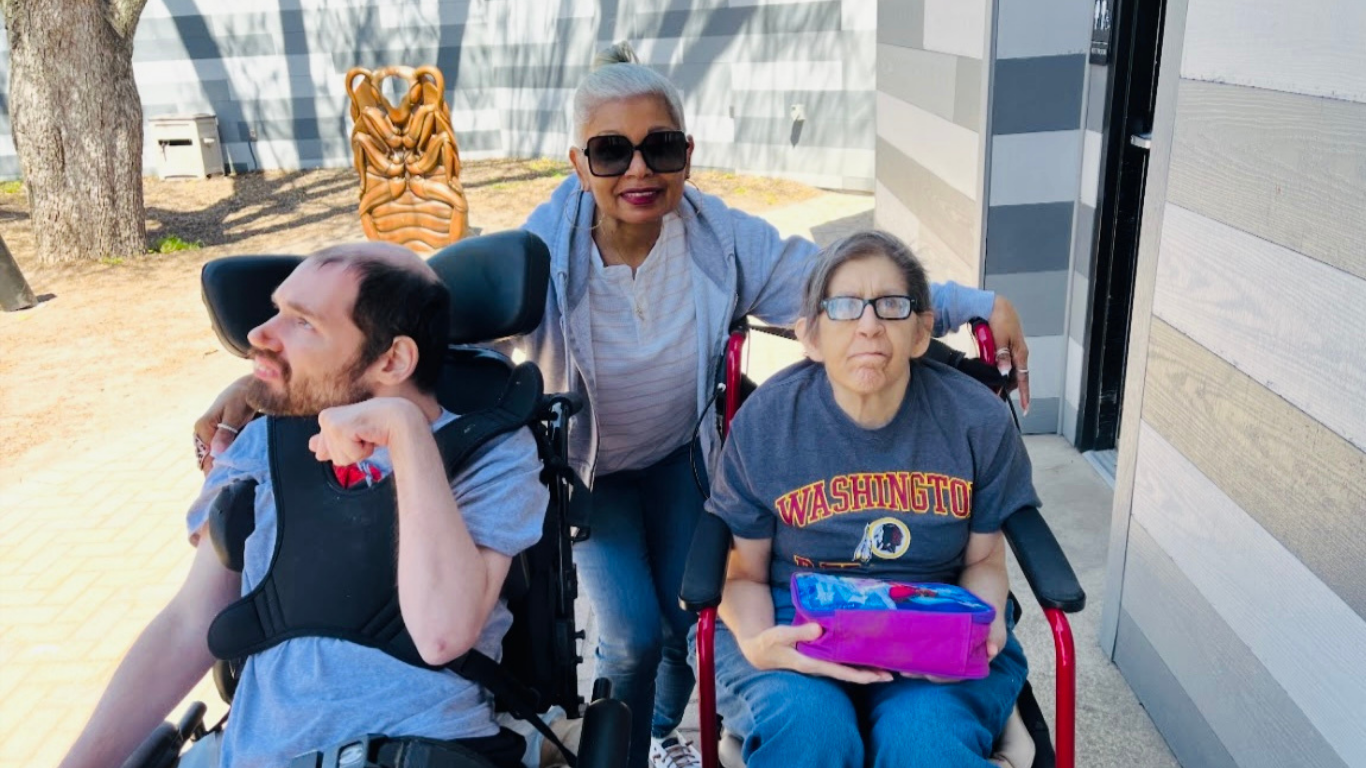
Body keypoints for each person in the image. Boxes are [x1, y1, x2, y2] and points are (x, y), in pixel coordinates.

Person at [195, 43, 1032, 768]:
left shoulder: (721, 237)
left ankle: (659, 729)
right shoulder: (543, 253)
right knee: (630, 633)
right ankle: (627, 749)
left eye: (660, 147)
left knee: (683, 616)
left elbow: (830, 286)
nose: (639, 170)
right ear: (577, 164)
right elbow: (424, 337)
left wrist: (971, 301)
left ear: (686, 155)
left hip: (676, 454)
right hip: (594, 467)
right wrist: (262, 382)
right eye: (611, 150)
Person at [60, 243, 561, 768]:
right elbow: (189, 624)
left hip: (424, 750)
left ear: (392, 359)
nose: (259, 334)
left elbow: (441, 634)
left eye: (303, 323)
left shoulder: (492, 451)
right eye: (278, 309)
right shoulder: (262, 444)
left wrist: (405, 432)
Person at [703, 230, 1038, 767]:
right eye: (843, 307)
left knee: (926, 744)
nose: (869, 324)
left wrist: (981, 630)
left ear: (923, 330)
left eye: (891, 305)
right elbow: (742, 575)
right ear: (809, 336)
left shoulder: (978, 421)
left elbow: (983, 562)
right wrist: (760, 641)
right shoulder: (767, 424)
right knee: (810, 735)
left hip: (931, 617)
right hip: (797, 618)